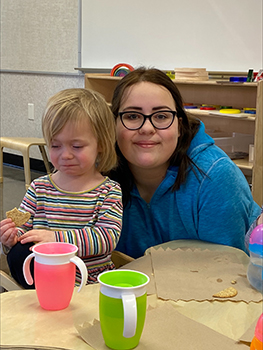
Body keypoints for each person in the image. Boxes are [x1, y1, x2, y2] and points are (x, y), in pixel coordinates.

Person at [109, 67, 261, 259]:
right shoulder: (98, 175)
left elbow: (228, 275)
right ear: (113, 125)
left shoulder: (215, 176)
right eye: (132, 116)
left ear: (179, 127)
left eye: (161, 116)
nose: (147, 128)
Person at [0, 88, 123, 288]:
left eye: (76, 146)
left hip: (88, 283)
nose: (65, 155)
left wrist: (56, 239)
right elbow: (24, 228)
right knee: (17, 254)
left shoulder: (108, 191)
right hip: (45, 277)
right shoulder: (39, 188)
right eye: (55, 146)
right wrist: (11, 237)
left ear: (100, 144)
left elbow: (106, 238)